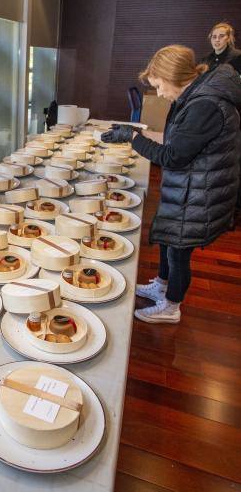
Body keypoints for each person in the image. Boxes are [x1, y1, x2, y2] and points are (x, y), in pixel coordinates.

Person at [102, 45, 241, 325]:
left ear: (172, 76)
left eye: (159, 86)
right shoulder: (194, 95)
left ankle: (171, 306)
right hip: (190, 185)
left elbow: (172, 156)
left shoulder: (205, 104)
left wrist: (133, 138)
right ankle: (162, 285)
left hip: (200, 191)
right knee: (168, 239)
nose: (160, 94)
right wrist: (137, 132)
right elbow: (176, 138)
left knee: (178, 249)